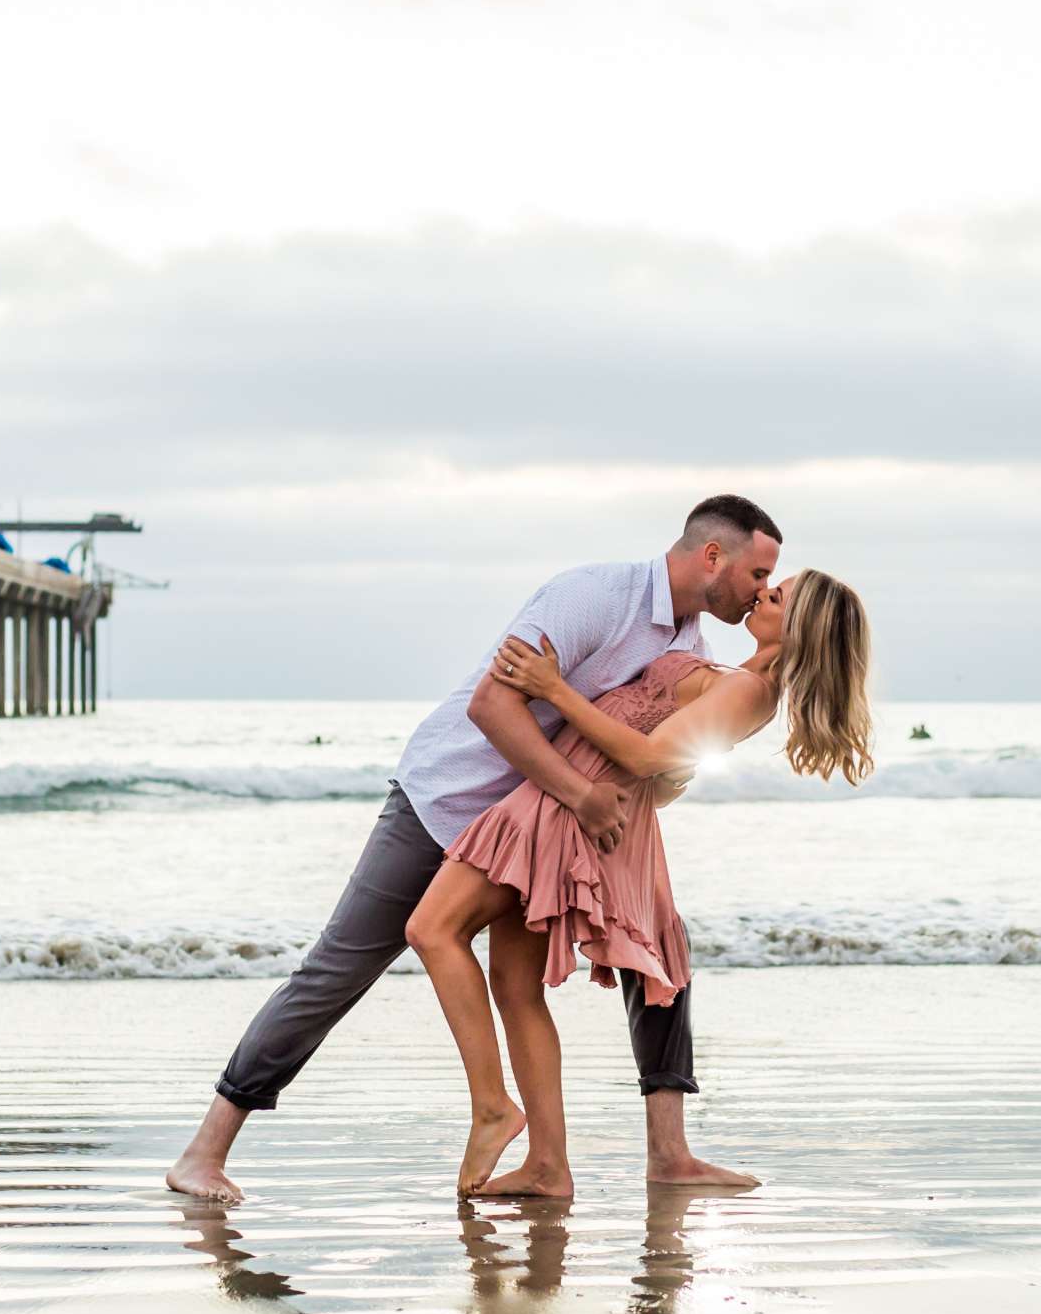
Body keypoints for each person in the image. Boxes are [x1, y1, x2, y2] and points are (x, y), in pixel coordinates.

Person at [164, 495, 785, 1204]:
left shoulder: (691, 651)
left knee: (628, 951)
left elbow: (644, 753)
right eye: (759, 571)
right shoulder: (592, 596)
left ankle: (594, 1159)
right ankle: (204, 1152)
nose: (762, 588)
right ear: (713, 556)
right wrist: (582, 796)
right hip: (449, 800)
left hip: (533, 829)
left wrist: (630, 793)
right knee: (339, 969)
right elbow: (491, 704)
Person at [409, 569, 873, 1195]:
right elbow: (669, 767)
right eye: (768, 583)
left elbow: (650, 757)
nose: (764, 593)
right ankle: (548, 1166)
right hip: (566, 797)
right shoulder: (731, 673)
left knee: (431, 928)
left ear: (802, 628)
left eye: (779, 594)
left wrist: (553, 689)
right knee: (515, 986)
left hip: (571, 809)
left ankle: (493, 1106)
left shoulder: (754, 692)